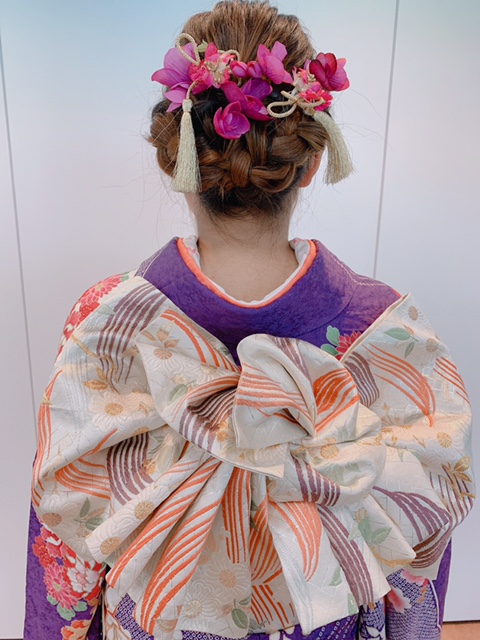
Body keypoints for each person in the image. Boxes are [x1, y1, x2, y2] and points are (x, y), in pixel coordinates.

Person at [24, 2, 474, 639]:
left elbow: (65, 530)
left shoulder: (108, 323)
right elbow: (418, 535)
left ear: (177, 162)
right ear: (310, 163)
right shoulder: (387, 332)